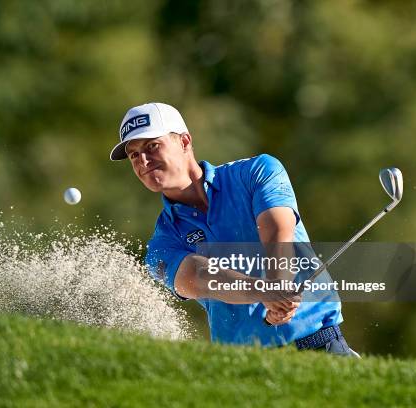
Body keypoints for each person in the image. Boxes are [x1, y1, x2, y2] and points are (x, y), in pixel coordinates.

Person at [110, 102, 359, 357]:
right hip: (242, 364)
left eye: (152, 146)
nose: (143, 160)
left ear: (184, 142)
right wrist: (265, 292)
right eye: (133, 155)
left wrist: (278, 285)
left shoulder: (257, 171)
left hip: (318, 343)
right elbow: (199, 277)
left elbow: (276, 229)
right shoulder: (161, 244)